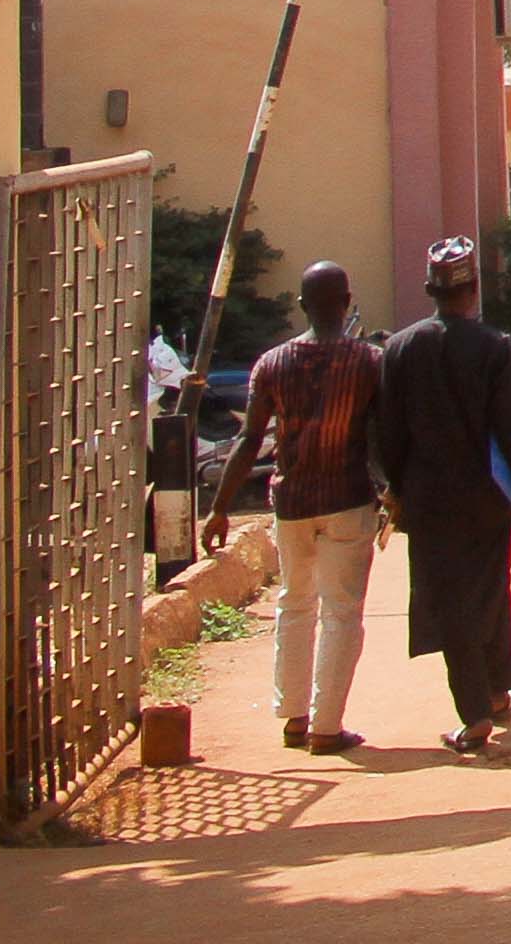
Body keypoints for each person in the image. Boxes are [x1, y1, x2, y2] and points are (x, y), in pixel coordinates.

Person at [202, 262, 385, 755]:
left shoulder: (272, 364)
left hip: (292, 504)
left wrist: (219, 509)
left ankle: (294, 718)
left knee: (294, 604)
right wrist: (393, 491)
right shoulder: (369, 361)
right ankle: (328, 727)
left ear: (302, 305)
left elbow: (247, 441)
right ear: (346, 302)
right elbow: (378, 438)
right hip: (347, 500)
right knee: (342, 613)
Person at [371, 237, 511, 752]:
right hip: (486, 498)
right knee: (490, 590)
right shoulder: (493, 346)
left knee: (450, 604)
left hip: (428, 501)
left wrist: (395, 493)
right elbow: (510, 429)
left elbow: (389, 434)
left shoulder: (399, 349)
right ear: (474, 289)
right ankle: (493, 692)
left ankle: (476, 712)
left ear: (430, 290)